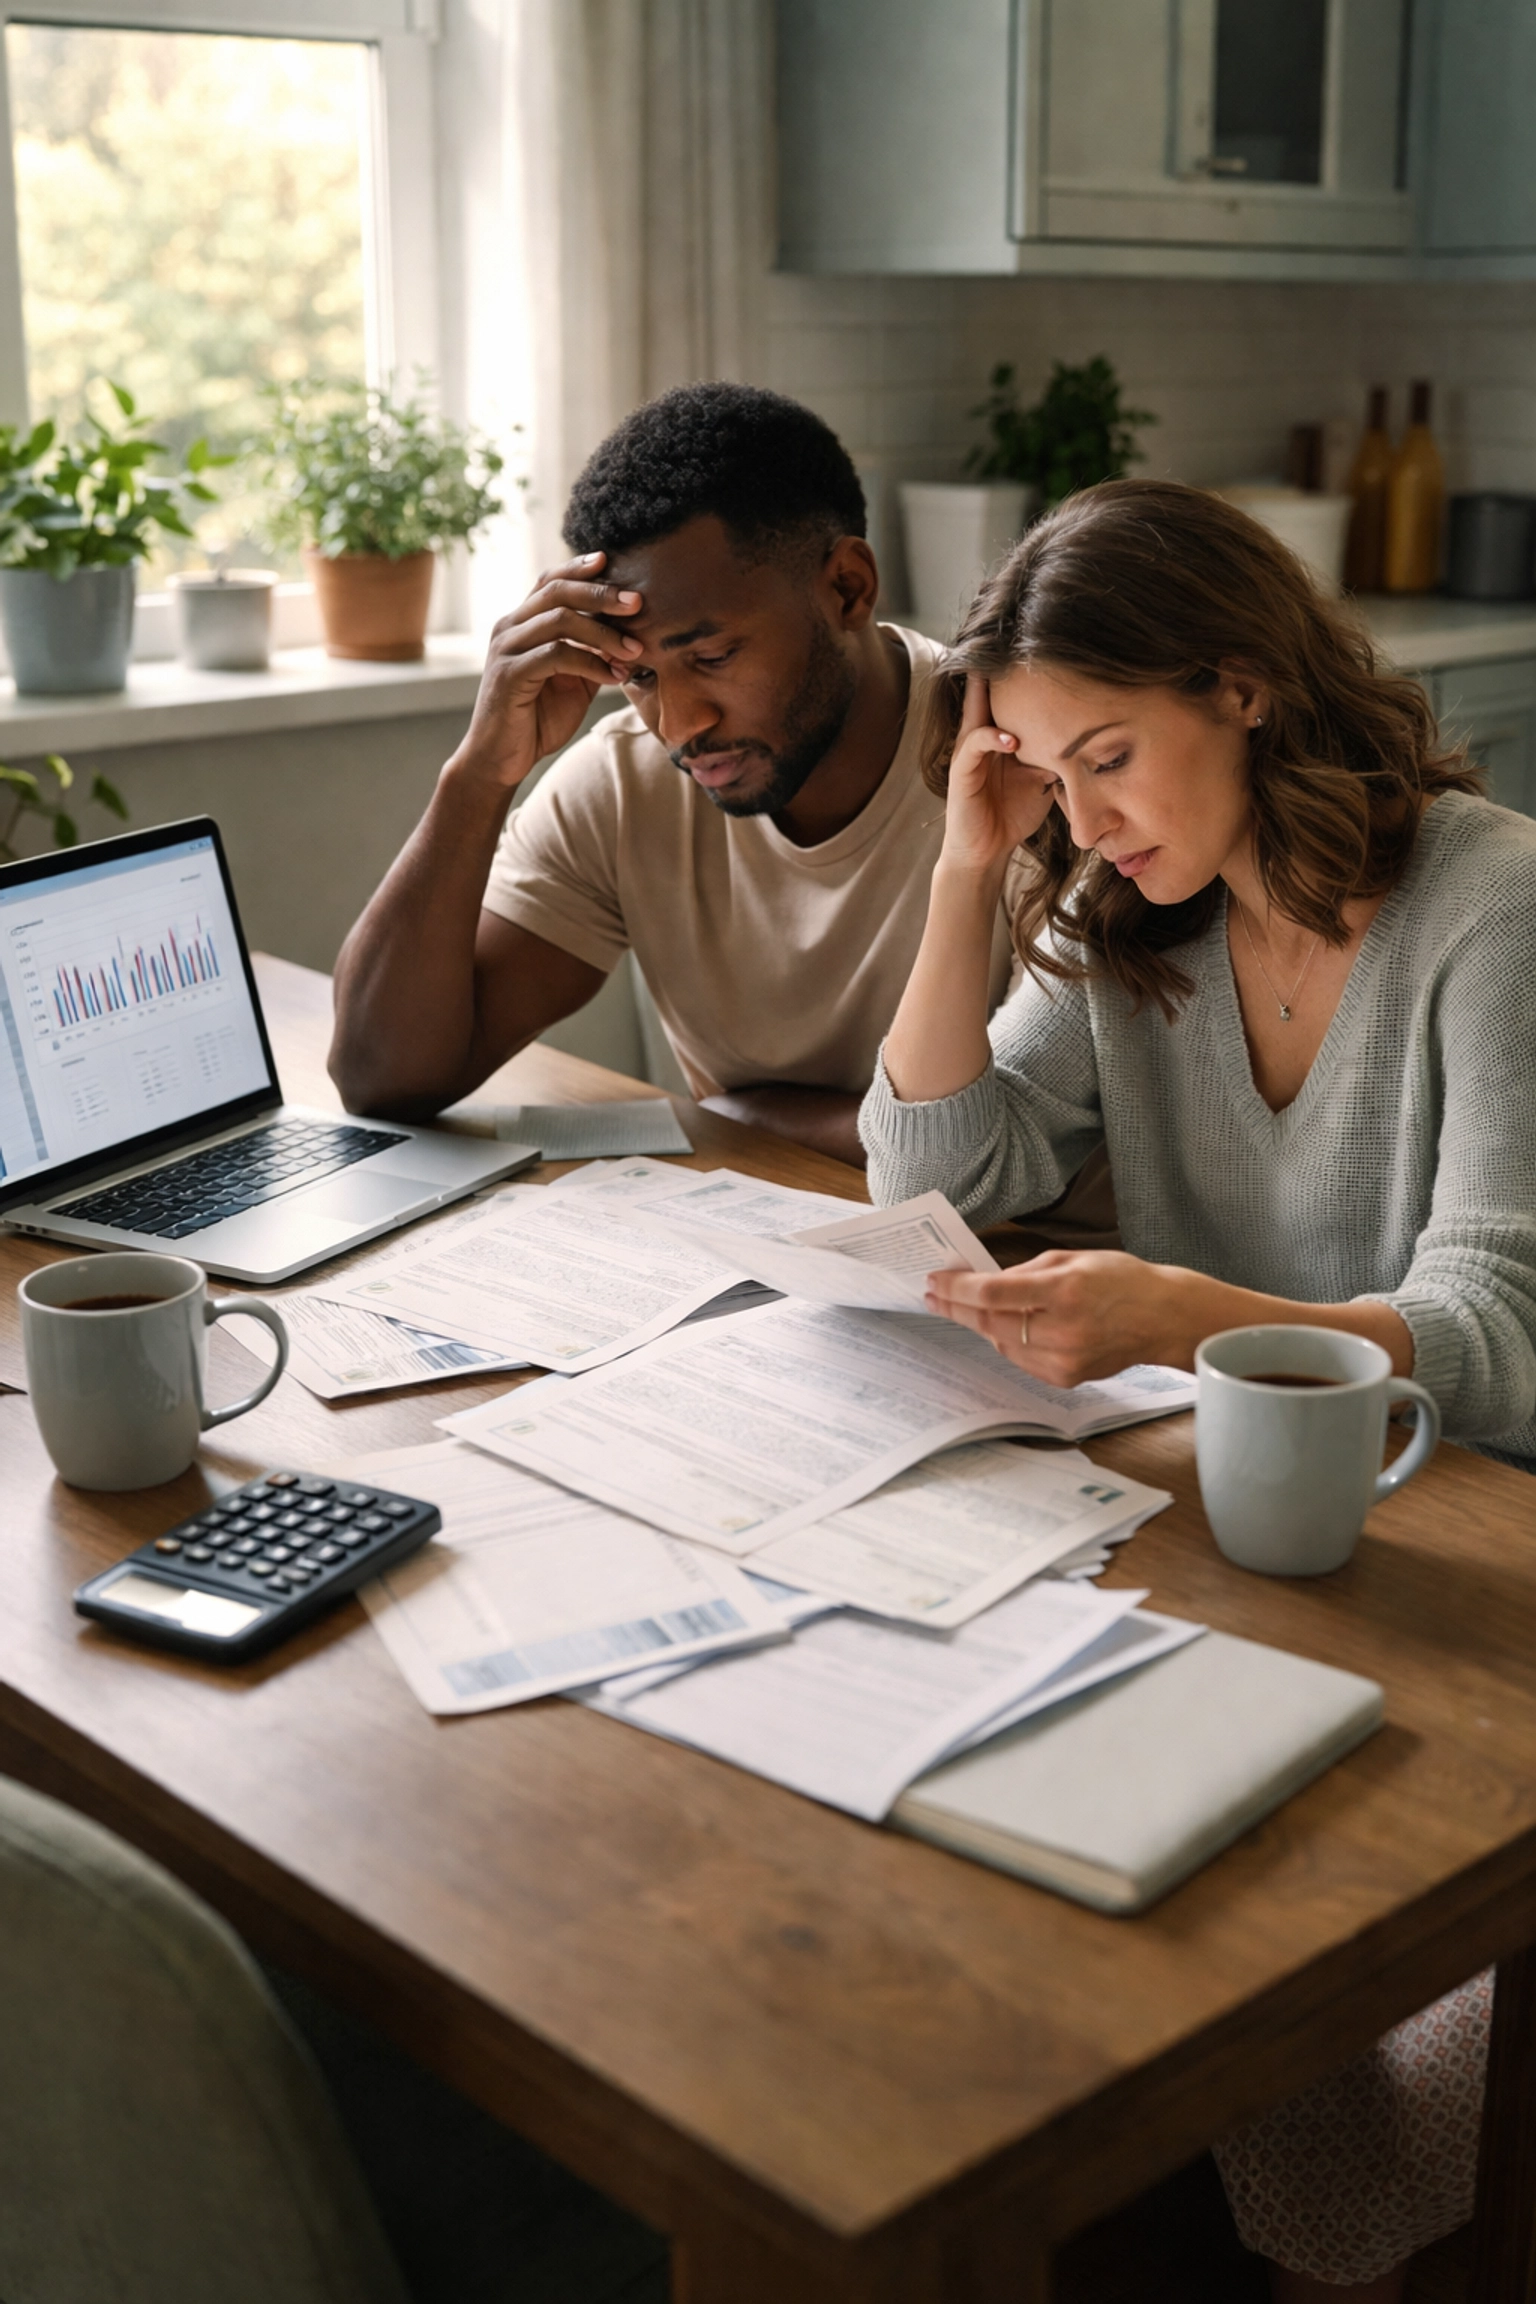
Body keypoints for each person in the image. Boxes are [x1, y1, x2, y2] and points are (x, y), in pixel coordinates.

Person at [858, 477, 1536, 2300]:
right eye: (1047, 773)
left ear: (1243, 687)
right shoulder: (1128, 913)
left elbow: (1496, 1329)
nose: (1083, 819)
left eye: (1110, 758)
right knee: (1038, 1930)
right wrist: (966, 865)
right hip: (1253, 1551)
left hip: (1473, 1553)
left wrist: (1181, 1319)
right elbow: (933, 1170)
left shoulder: (1496, 903)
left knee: (1306, 2027)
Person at [327, 381, 1022, 1170]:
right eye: (638, 675)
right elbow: (380, 1078)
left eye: (713, 656)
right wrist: (481, 773)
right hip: (774, 1222)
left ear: (846, 588)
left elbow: (1030, 1138)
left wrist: (746, 1117)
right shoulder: (624, 784)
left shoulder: (1017, 766)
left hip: (1007, 1241)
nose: (678, 725)